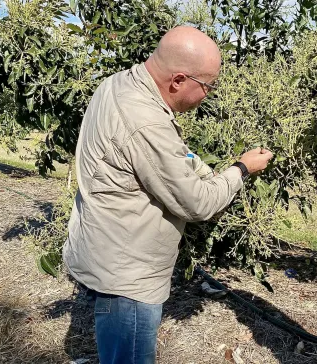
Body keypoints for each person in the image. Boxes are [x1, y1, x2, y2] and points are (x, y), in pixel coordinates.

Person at [62, 26, 274, 364]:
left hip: (105, 251)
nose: (208, 94)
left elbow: (161, 155)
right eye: (207, 86)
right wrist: (241, 169)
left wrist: (199, 167)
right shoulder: (145, 120)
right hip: (128, 275)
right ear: (177, 80)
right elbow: (198, 203)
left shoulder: (119, 84)